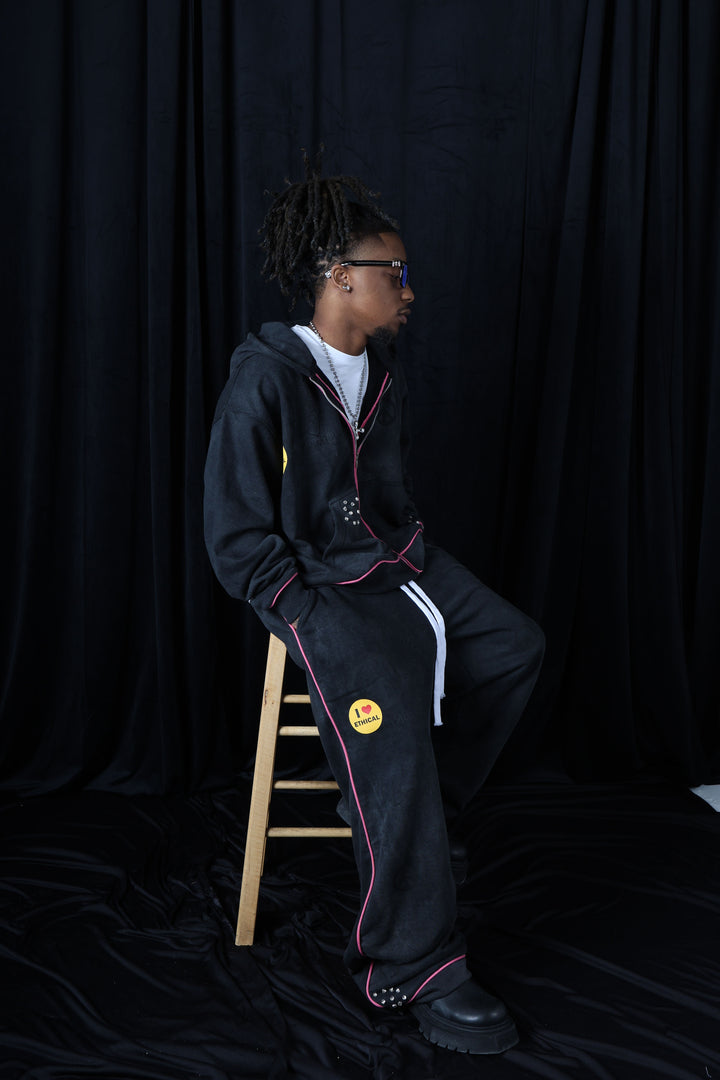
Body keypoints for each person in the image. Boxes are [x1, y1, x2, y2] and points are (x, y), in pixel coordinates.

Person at [204, 159, 544, 1055]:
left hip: (391, 564)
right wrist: (298, 605)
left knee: (513, 645)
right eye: (395, 272)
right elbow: (235, 538)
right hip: (310, 587)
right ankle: (411, 964)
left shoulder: (381, 377)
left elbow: (385, 498)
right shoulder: (266, 378)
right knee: (387, 709)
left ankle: (423, 819)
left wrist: (404, 550)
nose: (408, 290)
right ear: (340, 277)